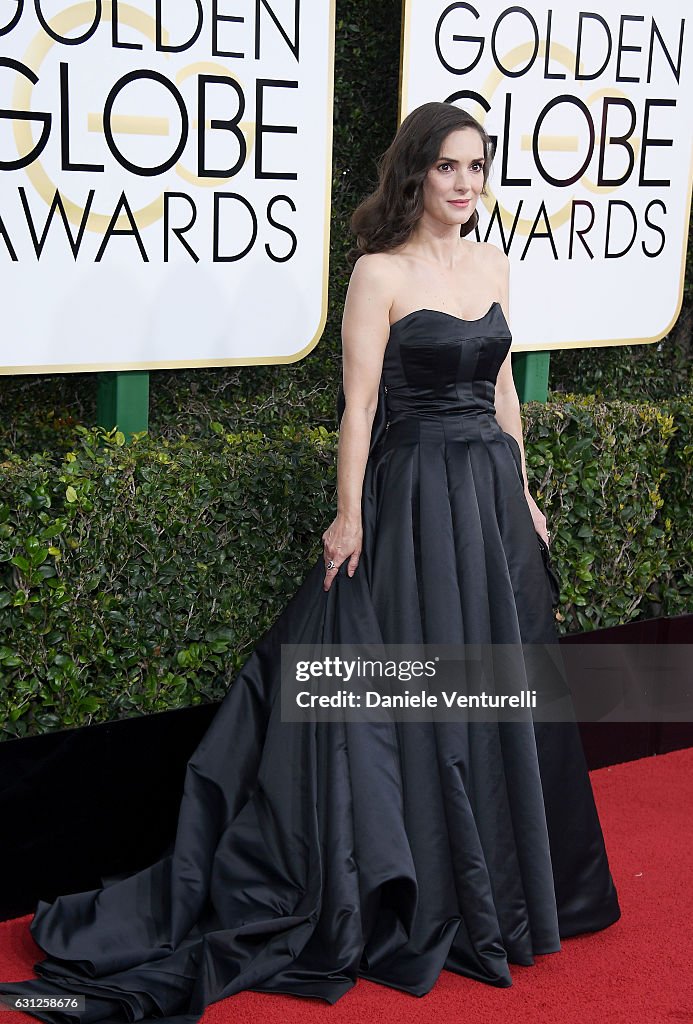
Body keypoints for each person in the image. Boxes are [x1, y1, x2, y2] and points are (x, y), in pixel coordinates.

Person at [0, 101, 620, 1024]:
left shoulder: (491, 263)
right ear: (415, 173)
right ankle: (419, 889)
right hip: (412, 501)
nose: (465, 184)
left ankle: (514, 882)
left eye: (477, 167)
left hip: (487, 502)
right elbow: (359, 408)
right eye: (448, 167)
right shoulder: (377, 273)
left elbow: (500, 392)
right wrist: (346, 516)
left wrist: (523, 490)